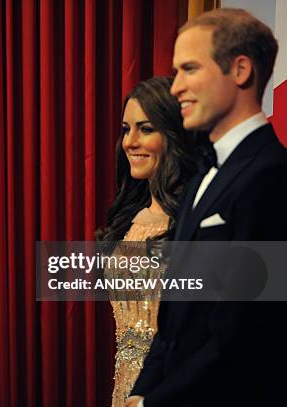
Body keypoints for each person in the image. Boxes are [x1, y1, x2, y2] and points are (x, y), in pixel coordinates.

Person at [127, 8, 287, 407]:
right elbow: (172, 321)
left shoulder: (272, 176)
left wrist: (153, 403)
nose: (176, 86)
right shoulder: (201, 175)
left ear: (241, 70)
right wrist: (140, 392)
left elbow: (244, 335)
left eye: (189, 69)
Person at [97, 77, 198, 407]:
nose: (130, 141)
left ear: (174, 134)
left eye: (145, 128)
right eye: (126, 129)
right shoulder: (127, 217)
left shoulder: (195, 219)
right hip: (123, 389)